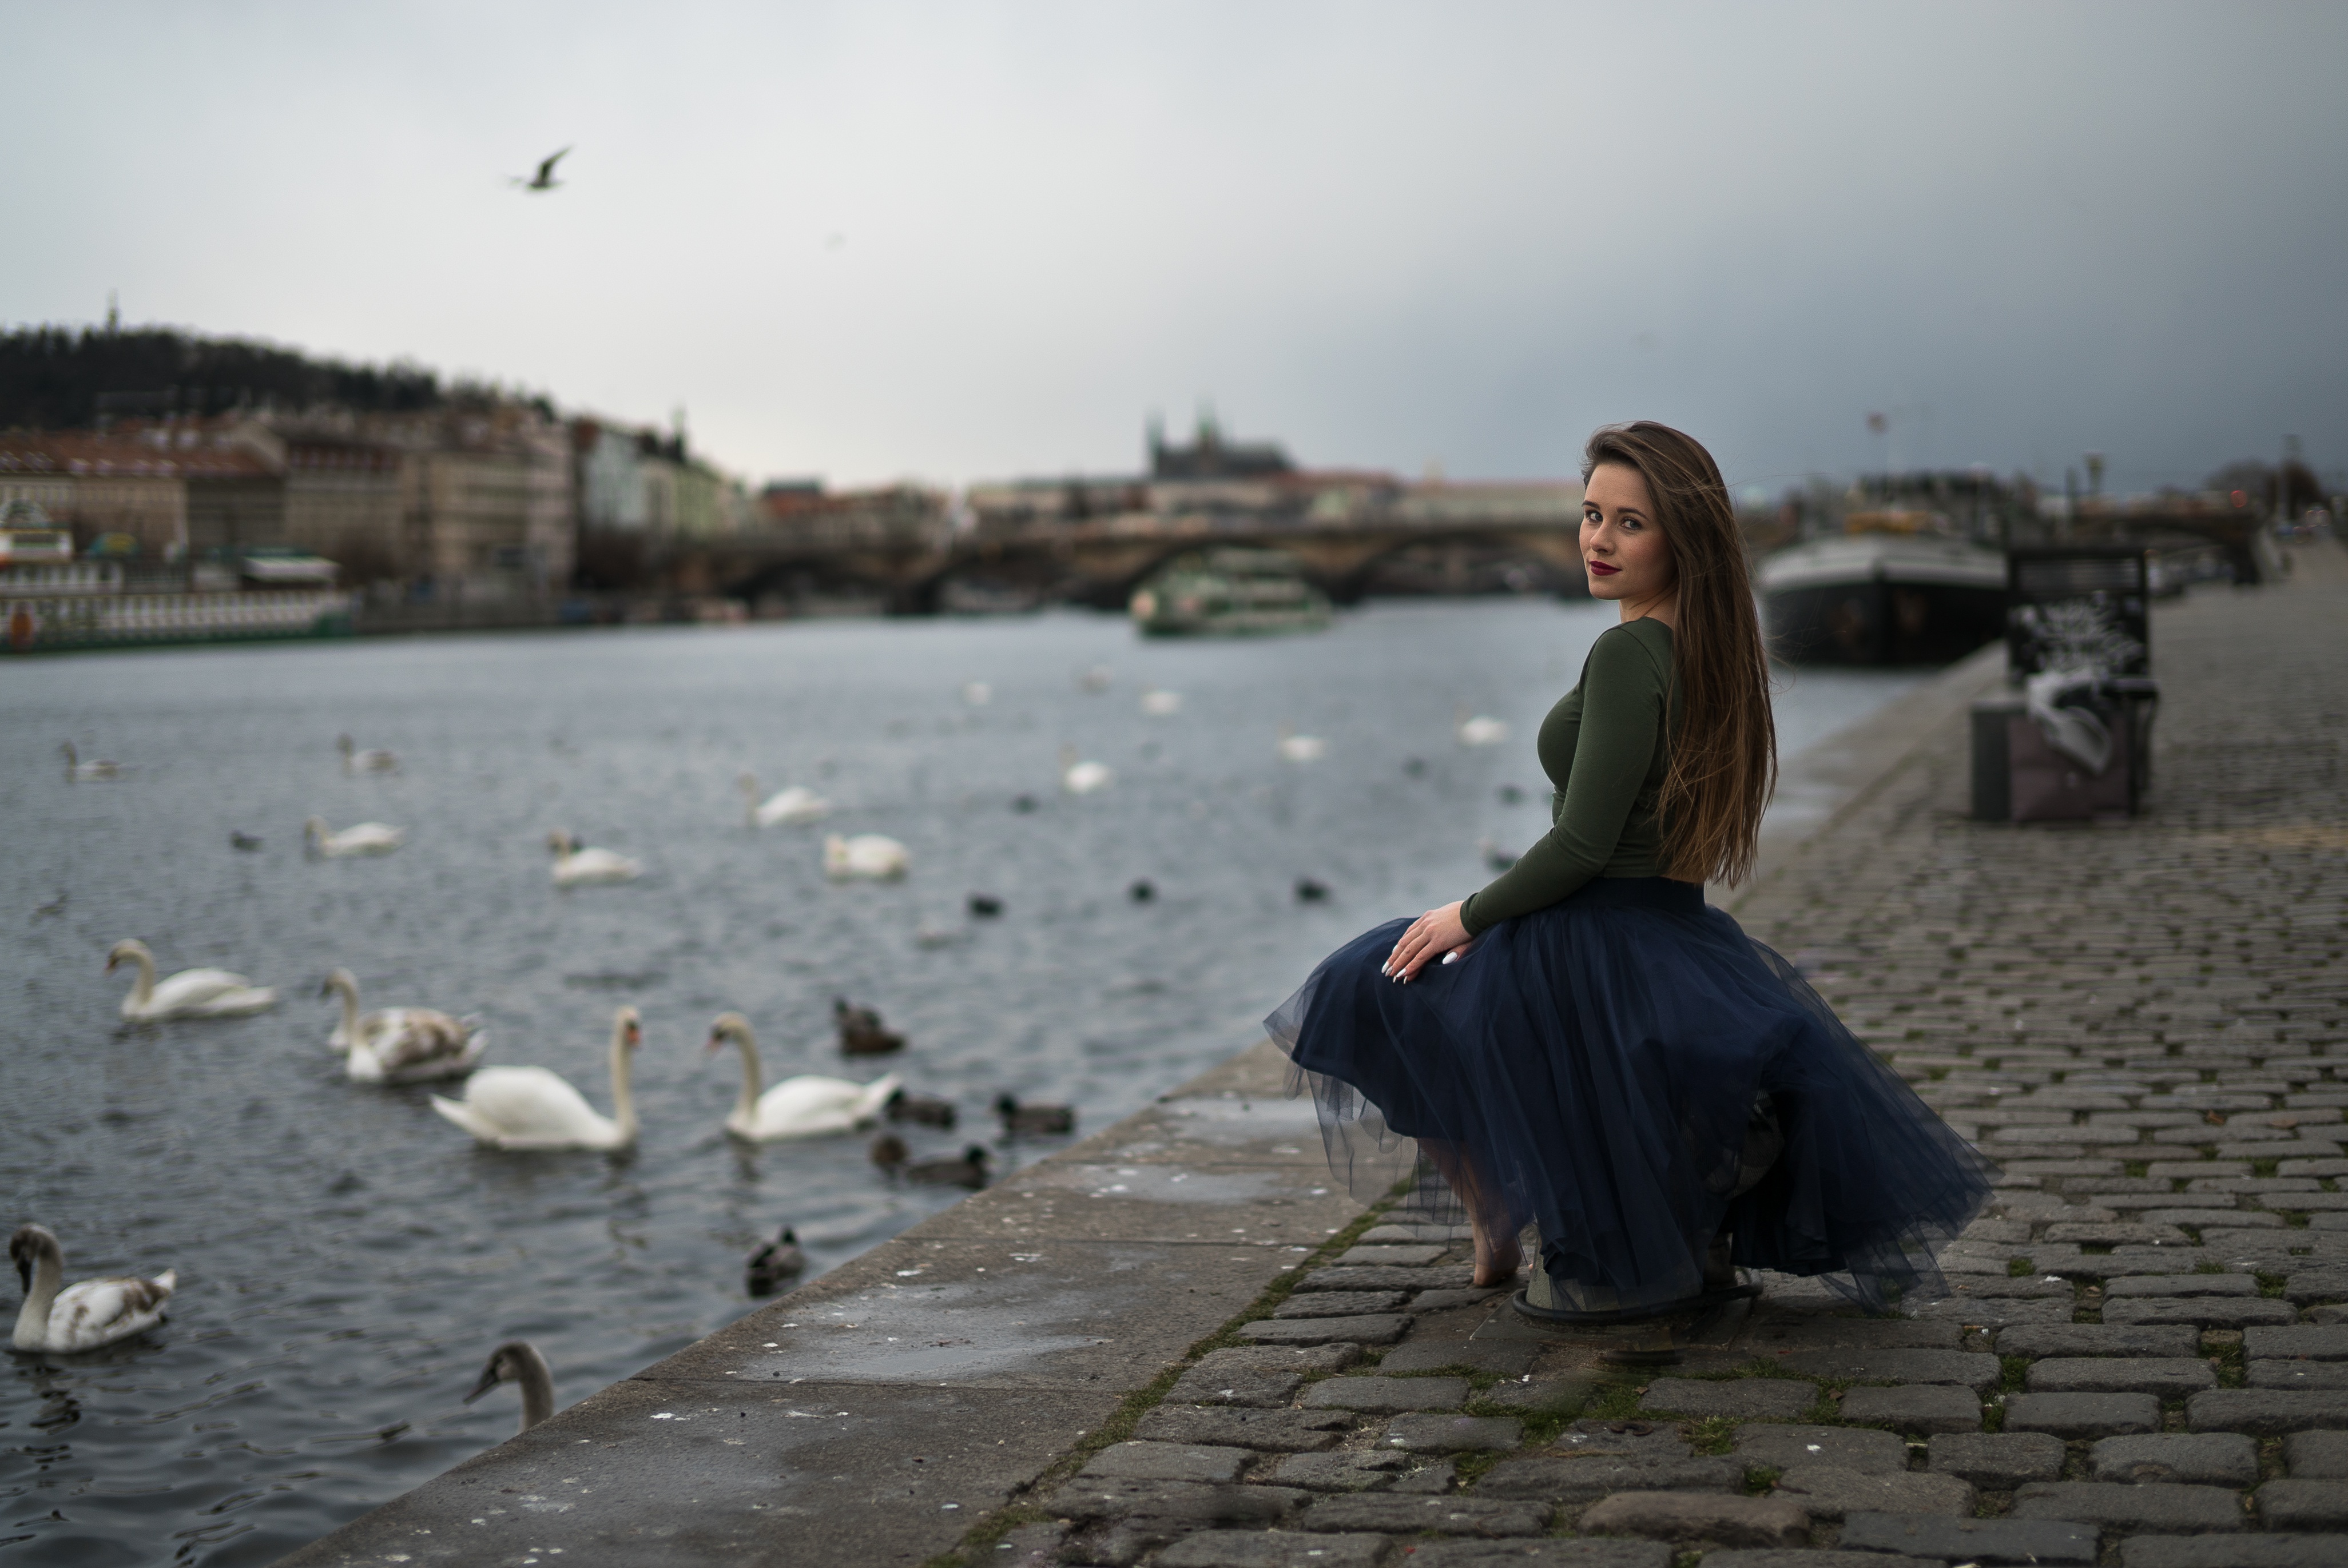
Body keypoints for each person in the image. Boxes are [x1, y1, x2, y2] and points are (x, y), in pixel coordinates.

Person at [1268, 421, 1991, 1318]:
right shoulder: (1712, 646)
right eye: (1589, 515)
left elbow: (1581, 843)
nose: (1597, 541)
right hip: (1674, 929)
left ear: (1679, 538)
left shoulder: (1626, 654)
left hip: (1594, 922)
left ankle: (1493, 1207)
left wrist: (1471, 914)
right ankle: (1663, 1202)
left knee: (1362, 979)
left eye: (1628, 523)